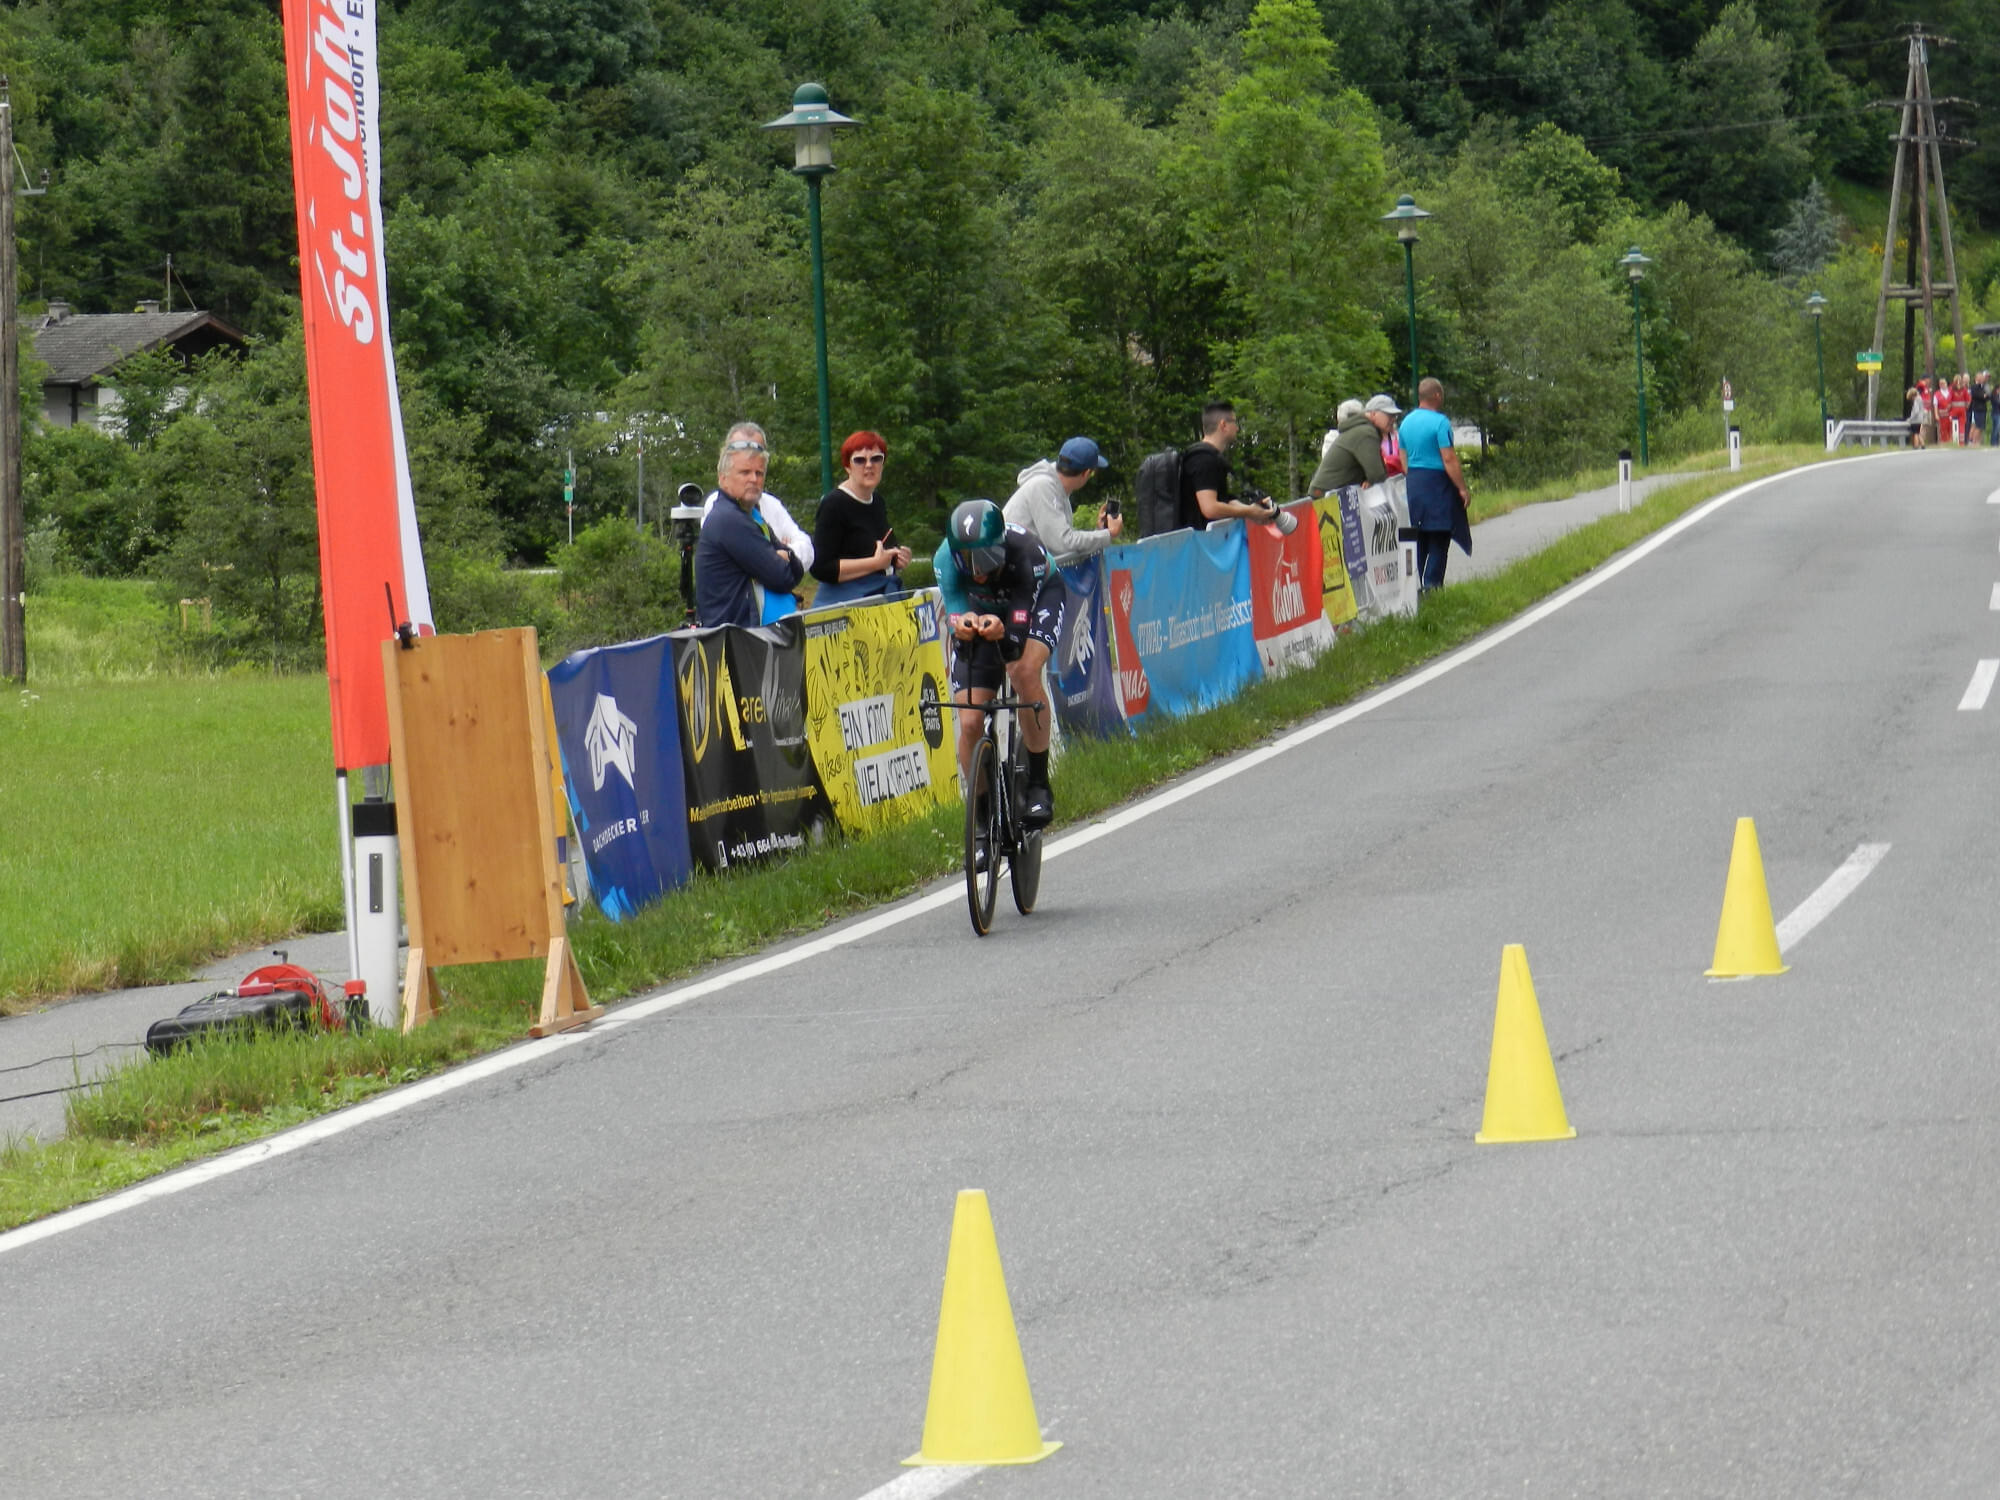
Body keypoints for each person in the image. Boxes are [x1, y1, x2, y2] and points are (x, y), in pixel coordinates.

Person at [933, 499, 1064, 855]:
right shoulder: (944, 559)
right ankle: (981, 817)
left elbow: (1015, 641)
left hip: (1034, 603)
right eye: (967, 562)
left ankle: (1038, 784)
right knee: (972, 717)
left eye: (985, 561)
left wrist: (1003, 632)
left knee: (1022, 669)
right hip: (983, 611)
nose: (976, 571)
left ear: (999, 548)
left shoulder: (1027, 554)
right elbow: (956, 619)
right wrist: (964, 628)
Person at [694, 431, 804, 628]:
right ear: (723, 478)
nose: (753, 479)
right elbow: (782, 577)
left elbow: (794, 571)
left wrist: (786, 555)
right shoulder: (729, 520)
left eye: (759, 473)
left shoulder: (752, 515)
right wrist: (782, 557)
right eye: (745, 472)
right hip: (737, 643)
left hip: (760, 639)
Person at [808, 429, 911, 607]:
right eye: (860, 460)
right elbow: (821, 568)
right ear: (847, 466)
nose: (869, 465)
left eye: (876, 459)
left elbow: (879, 549)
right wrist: (875, 563)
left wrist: (897, 557)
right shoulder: (834, 504)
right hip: (845, 609)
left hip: (880, 599)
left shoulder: (877, 501)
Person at [700, 421, 815, 576]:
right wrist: (778, 553)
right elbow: (766, 571)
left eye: (756, 449)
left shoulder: (772, 504)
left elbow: (808, 549)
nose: (750, 455)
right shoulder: (717, 506)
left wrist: (786, 555)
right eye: (740, 449)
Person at [1398, 377, 1471, 596]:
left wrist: (1413, 477)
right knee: (1440, 533)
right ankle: (1432, 586)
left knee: (1419, 535)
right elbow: (1448, 458)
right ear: (1437, 395)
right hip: (1437, 482)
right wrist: (1461, 488)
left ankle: (1414, 587)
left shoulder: (1406, 422)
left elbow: (1403, 459)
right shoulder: (1440, 423)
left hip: (1414, 482)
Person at [1002, 435, 1123, 565]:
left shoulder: (1057, 489)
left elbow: (1062, 541)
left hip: (1021, 567)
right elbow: (1063, 543)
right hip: (1011, 573)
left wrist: (1100, 532)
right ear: (1086, 473)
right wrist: (1108, 534)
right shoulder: (1043, 487)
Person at [1178, 400, 1282, 531]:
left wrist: (1254, 510)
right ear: (1223, 425)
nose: (1237, 428)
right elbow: (1210, 508)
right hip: (1198, 544)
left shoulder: (1211, 457)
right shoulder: (1203, 459)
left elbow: (1225, 500)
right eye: (1235, 422)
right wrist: (1249, 512)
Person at [1307, 399, 1388, 498]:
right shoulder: (1364, 433)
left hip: (1325, 492)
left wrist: (1368, 480)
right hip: (1328, 496)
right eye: (1389, 415)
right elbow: (1377, 475)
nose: (1392, 419)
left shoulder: (1353, 432)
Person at [1370, 394, 1407, 477]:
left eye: (1394, 415)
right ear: (1373, 414)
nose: (1393, 419)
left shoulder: (1399, 438)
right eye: (1389, 415)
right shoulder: (1365, 439)